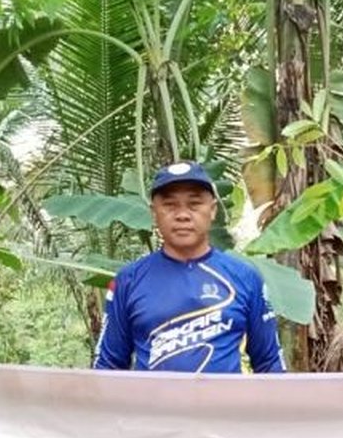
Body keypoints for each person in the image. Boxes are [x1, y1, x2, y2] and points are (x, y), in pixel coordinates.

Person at [93, 160, 285, 374]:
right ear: (154, 213)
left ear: (212, 210)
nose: (182, 215)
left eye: (194, 204)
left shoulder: (246, 277)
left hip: (223, 407)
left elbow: (270, 364)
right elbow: (107, 366)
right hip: (151, 407)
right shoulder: (128, 281)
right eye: (169, 205)